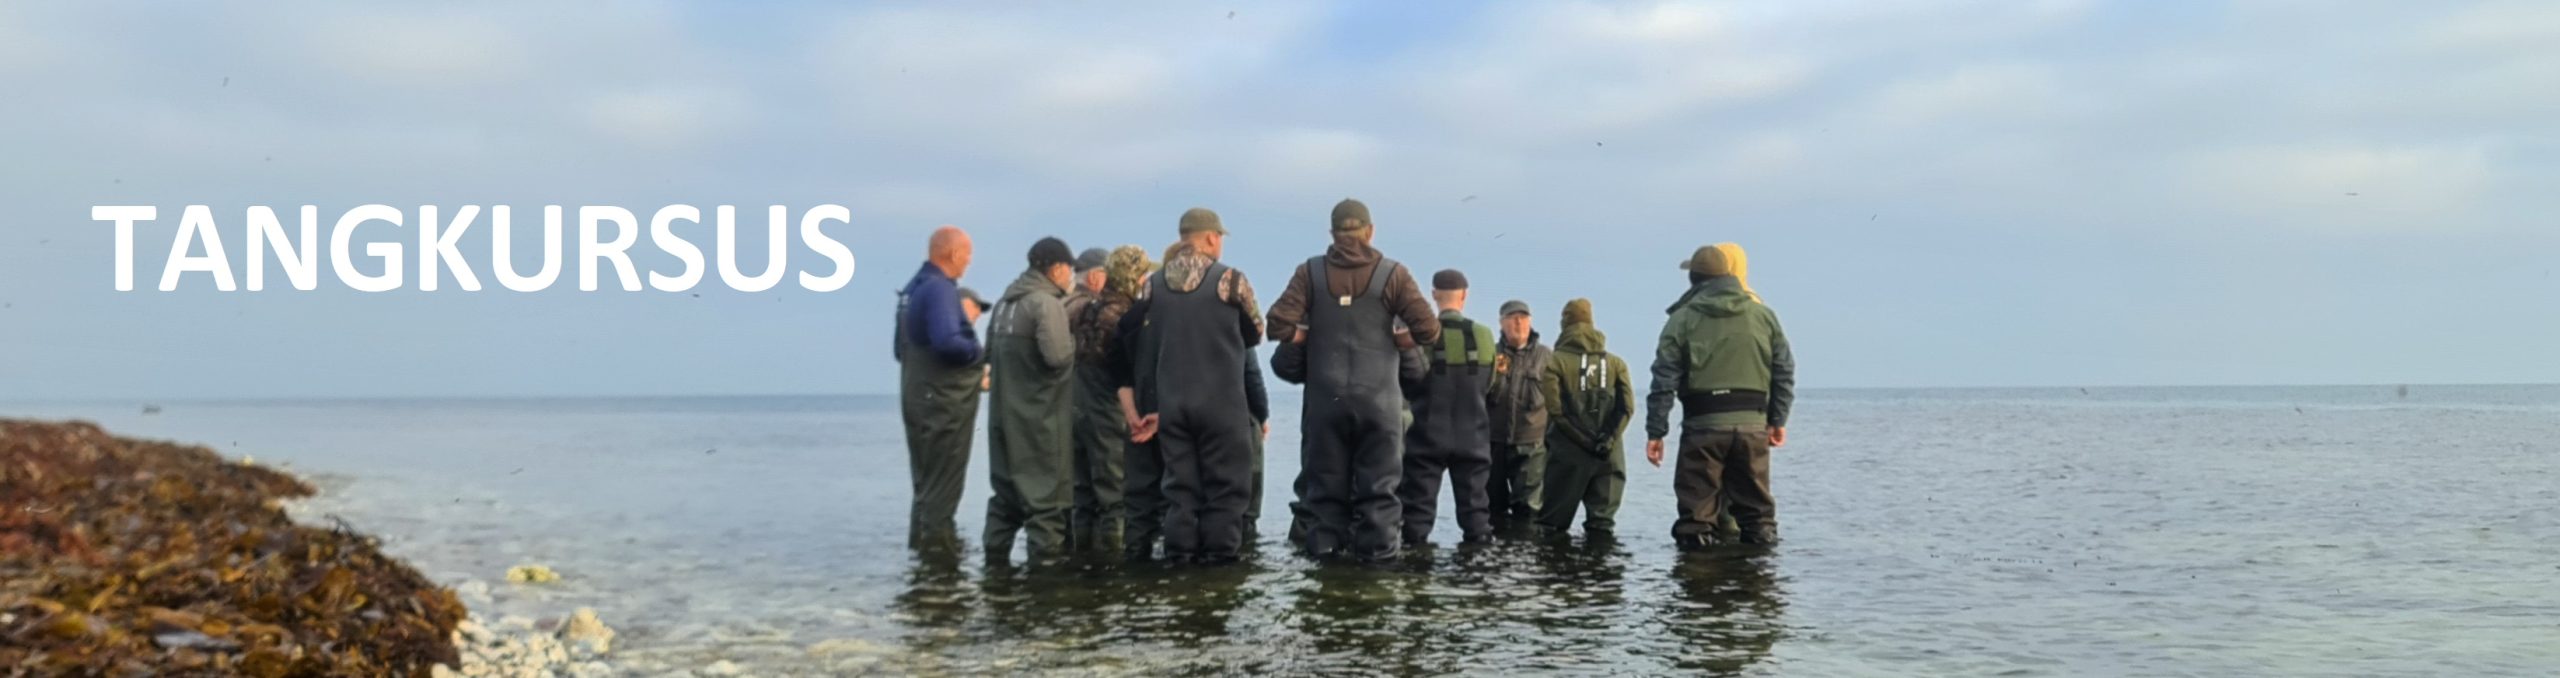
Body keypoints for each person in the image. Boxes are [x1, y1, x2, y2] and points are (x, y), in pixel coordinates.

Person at [1265, 198, 1442, 561]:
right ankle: (1376, 578)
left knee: (1325, 497)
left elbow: (1278, 324)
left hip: (1325, 404)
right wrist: (1394, 339)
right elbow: (1429, 329)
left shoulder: (1309, 273)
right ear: (1370, 231)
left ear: (1332, 233)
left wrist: (1307, 335)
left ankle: (1327, 575)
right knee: (1380, 496)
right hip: (1379, 404)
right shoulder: (1393, 274)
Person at [1117, 208, 1264, 564]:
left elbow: (1136, 333)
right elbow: (1254, 332)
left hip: (1172, 405)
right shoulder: (1231, 280)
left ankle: (1180, 561)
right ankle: (1218, 568)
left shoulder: (1151, 284)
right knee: (1226, 490)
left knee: (1180, 491)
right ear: (1212, 238)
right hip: (1221, 404)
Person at [1645, 243, 1796, 548]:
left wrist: (1656, 431)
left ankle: (1698, 589)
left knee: (1696, 522)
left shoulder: (1681, 319)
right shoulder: (1763, 315)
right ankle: (1759, 588)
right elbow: (1784, 370)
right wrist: (1777, 419)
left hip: (1703, 428)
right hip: (1752, 428)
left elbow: (1664, 379)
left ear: (1695, 279)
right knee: (1758, 518)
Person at [982, 237, 1081, 563]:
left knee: (1005, 502)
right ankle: (1045, 596)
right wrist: (1078, 344)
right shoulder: (1044, 304)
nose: (1071, 278)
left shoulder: (1002, 305)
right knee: (1046, 509)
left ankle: (995, 577)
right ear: (1056, 269)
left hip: (1002, 423)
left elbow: (988, 358)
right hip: (1039, 425)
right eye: (1069, 270)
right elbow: (1057, 357)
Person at [896, 226, 983, 554]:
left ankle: (921, 569)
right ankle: (941, 576)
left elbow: (898, 349)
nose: (969, 262)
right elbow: (948, 342)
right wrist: (977, 353)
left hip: (916, 397)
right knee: (942, 492)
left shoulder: (912, 289)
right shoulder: (940, 290)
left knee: (925, 488)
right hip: (942, 405)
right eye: (968, 255)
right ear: (954, 254)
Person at [1397, 269, 1499, 546]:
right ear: (1464, 295)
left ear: (1433, 295)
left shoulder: (1421, 334)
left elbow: (1407, 378)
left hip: (1426, 435)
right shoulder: (1484, 335)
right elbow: (1489, 383)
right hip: (1473, 436)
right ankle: (1474, 577)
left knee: (1416, 516)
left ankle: (1417, 576)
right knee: (1477, 517)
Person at [1536, 298, 1633, 535]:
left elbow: (1557, 411)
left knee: (1551, 527)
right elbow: (1627, 408)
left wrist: (1585, 441)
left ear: (1564, 324)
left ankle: (1559, 571)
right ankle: (1599, 571)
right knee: (1602, 526)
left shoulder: (1554, 362)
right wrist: (1606, 440)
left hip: (1567, 457)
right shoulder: (1616, 363)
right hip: (1608, 456)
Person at [1065, 247, 1127, 552]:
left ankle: (1084, 564)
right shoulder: (1094, 309)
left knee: (1082, 495)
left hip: (1071, 410)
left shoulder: (1062, 305)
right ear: (1094, 276)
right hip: (1102, 410)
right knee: (1113, 494)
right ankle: (1114, 567)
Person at [1488, 299, 1551, 525]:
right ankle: (1494, 556)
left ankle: (1524, 555)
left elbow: (1557, 402)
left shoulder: (1546, 357)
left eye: (1523, 318)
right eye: (1513, 318)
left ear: (1530, 322)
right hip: (1493, 441)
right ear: (1501, 323)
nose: (1518, 323)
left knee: (1528, 509)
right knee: (1491, 506)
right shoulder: (1490, 355)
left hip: (1531, 443)